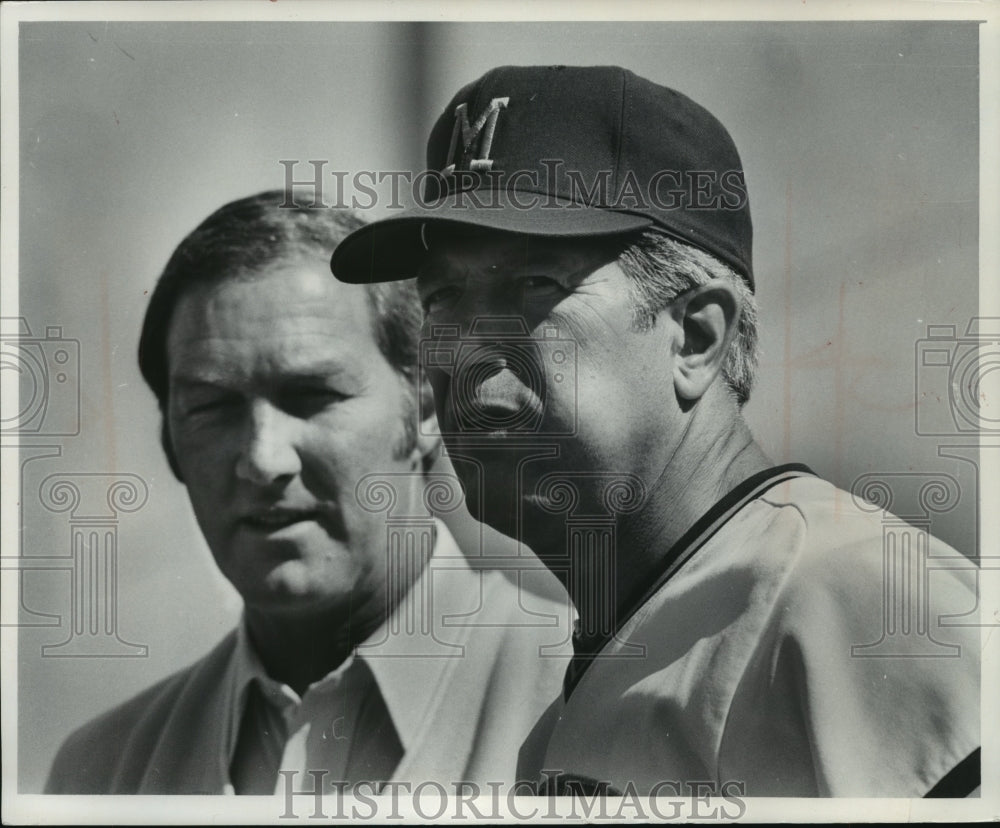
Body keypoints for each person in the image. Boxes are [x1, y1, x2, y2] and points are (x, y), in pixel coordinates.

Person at [330, 65, 981, 797]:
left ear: (696, 339)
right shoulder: (590, 675)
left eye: (535, 286)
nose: (466, 360)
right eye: (443, 298)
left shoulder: (860, 599)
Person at [45, 190, 571, 795]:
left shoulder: (588, 695)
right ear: (170, 443)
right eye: (212, 407)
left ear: (425, 405)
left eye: (313, 396)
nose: (263, 459)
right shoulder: (101, 774)